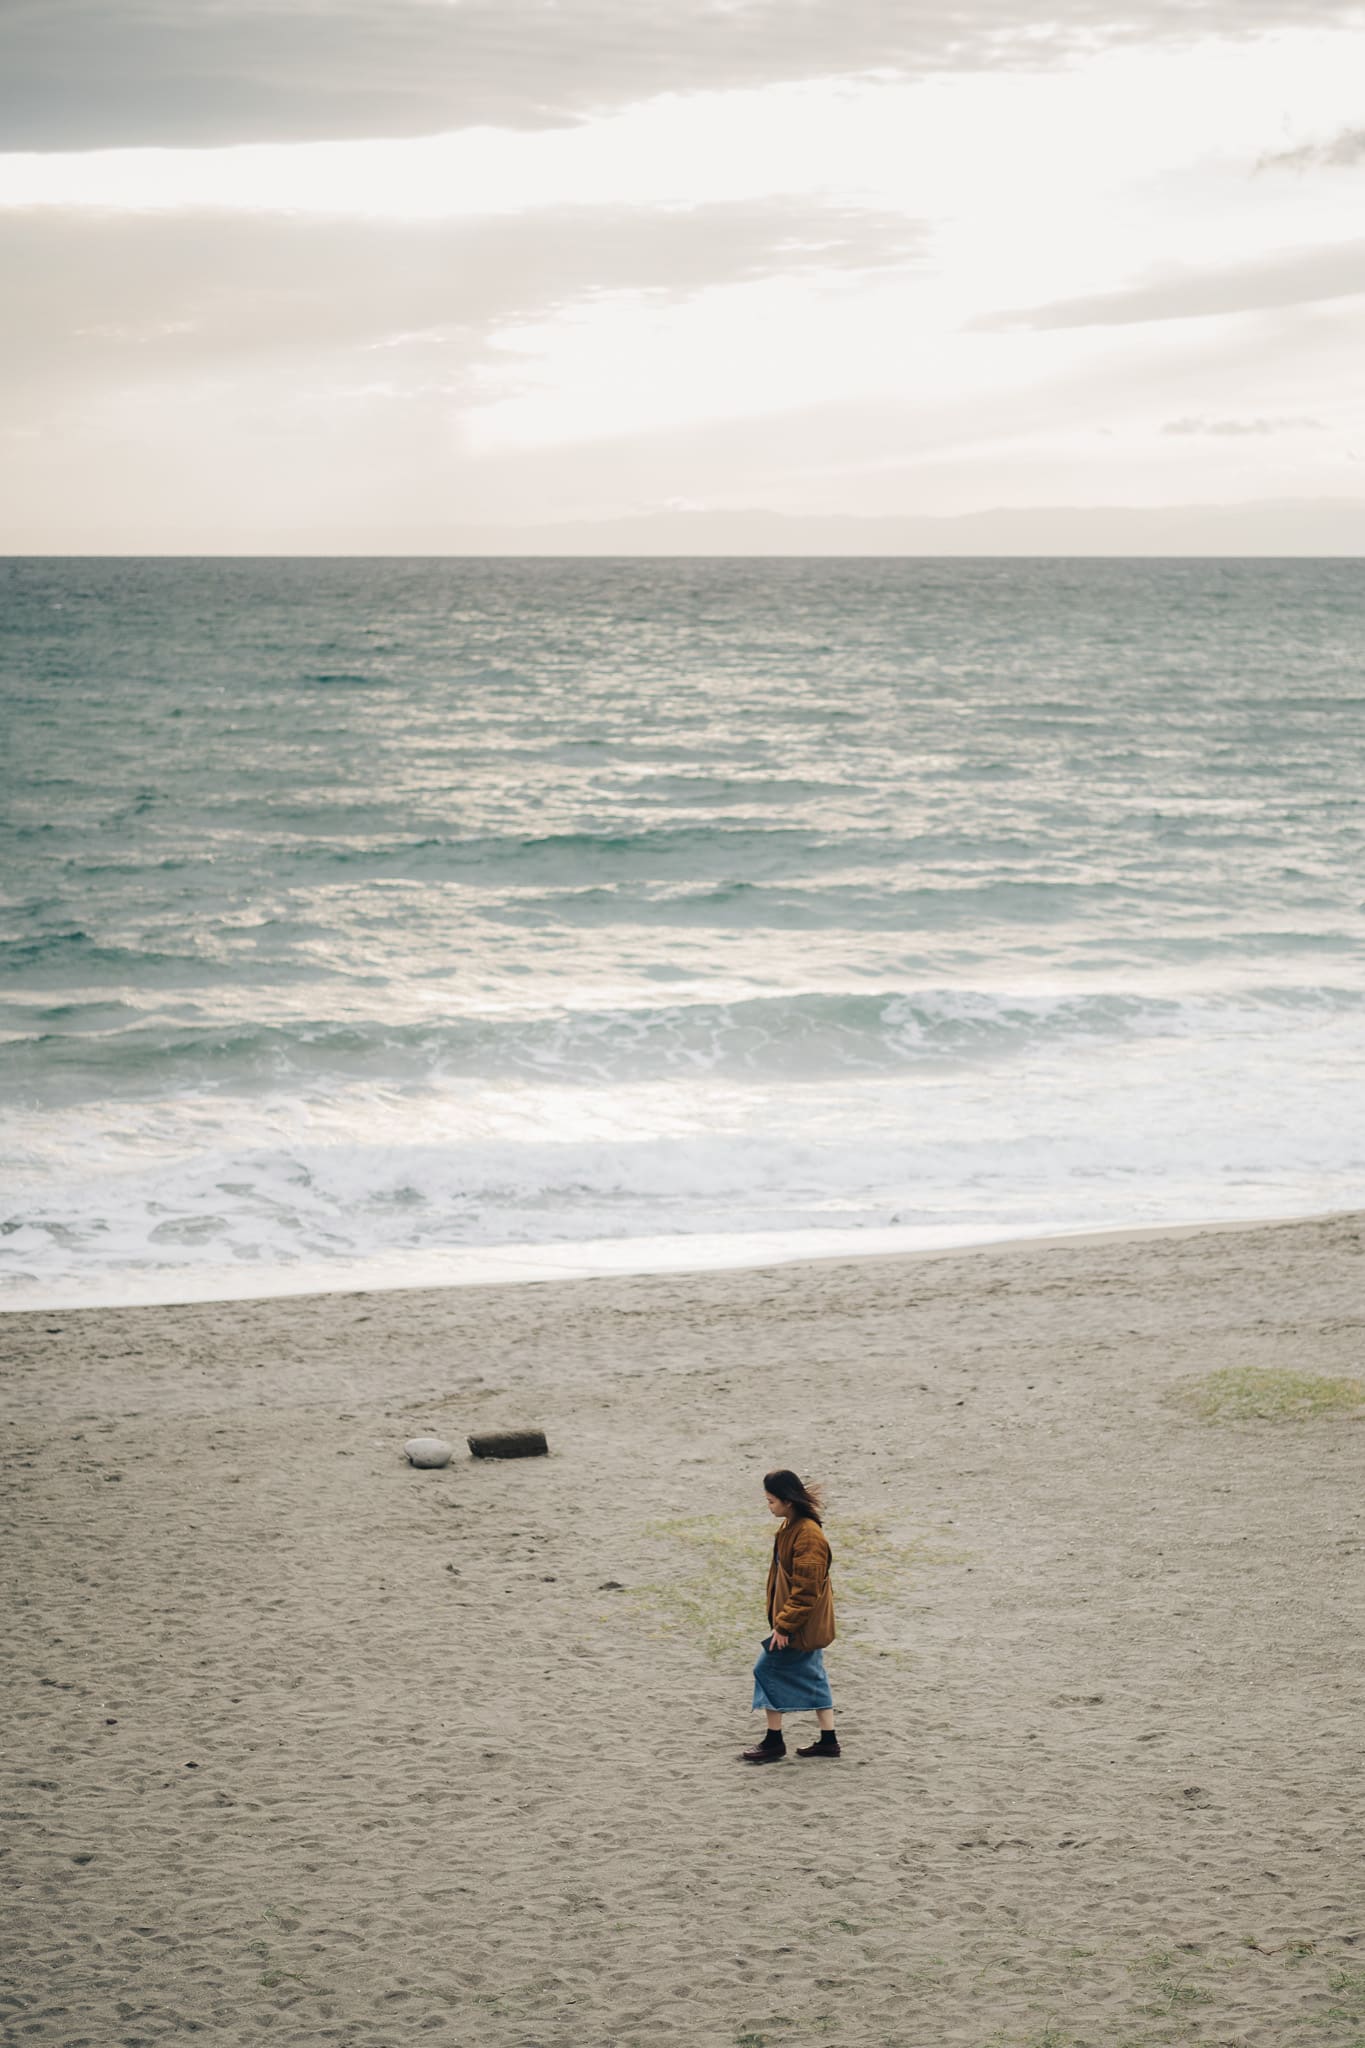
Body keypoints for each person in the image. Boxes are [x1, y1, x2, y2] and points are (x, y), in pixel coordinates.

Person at [740, 1468, 839, 1763]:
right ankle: (828, 1741)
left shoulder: (807, 1535)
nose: (768, 1506)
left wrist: (783, 1627)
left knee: (766, 1669)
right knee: (814, 1677)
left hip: (798, 1626)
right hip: (801, 1624)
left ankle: (773, 1741)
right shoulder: (790, 1527)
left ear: (788, 1501)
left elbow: (806, 1590)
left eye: (771, 1501)